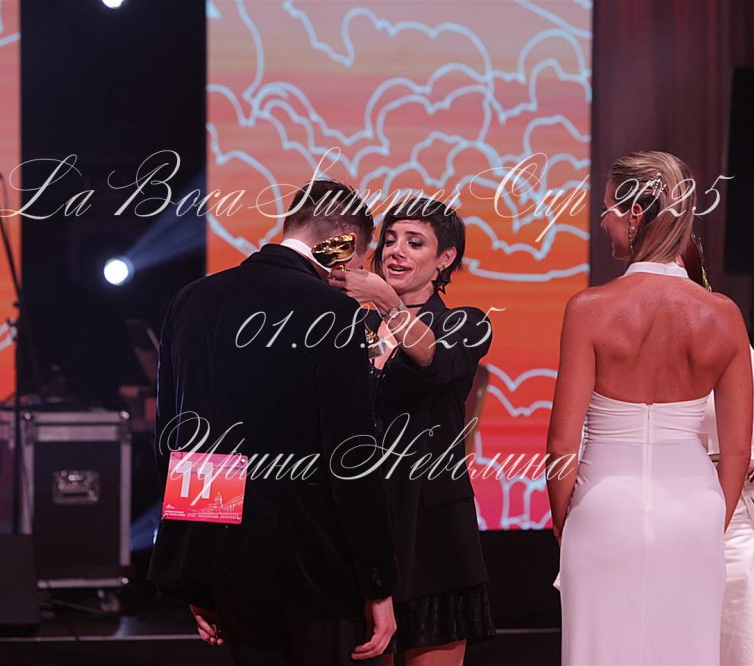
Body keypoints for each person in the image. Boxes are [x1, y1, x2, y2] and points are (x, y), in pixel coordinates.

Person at [148, 179, 399, 665]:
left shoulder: (192, 301)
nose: (356, 271)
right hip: (317, 567)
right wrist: (377, 579)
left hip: (225, 560)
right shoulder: (335, 311)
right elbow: (351, 457)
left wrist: (196, 574)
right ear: (343, 246)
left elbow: (176, 441)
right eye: (360, 259)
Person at [547, 150, 753, 664]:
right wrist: (712, 522)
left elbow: (561, 443)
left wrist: (565, 521)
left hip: (603, 507)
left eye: (608, 209)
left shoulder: (589, 308)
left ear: (636, 214)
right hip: (695, 512)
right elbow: (736, 452)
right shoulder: (724, 316)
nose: (603, 221)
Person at [328, 197, 495, 666]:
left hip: (431, 533)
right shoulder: (353, 326)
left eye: (415, 243)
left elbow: (433, 360)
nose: (396, 251)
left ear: (445, 259)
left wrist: (389, 302)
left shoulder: (467, 322)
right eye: (390, 240)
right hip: (362, 529)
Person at [683, 236, 754, 665]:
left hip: (729, 528)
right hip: (656, 517)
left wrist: (748, 468)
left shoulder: (732, 347)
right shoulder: (628, 343)